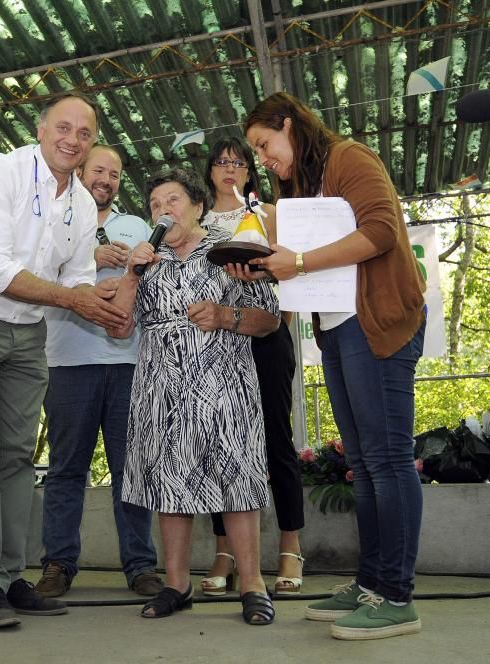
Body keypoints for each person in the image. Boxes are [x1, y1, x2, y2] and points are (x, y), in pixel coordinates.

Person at [0, 93, 129, 630]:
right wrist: (77, 301)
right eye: (62, 128)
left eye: (84, 133)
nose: (72, 140)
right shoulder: (1, 174)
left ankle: (12, 576)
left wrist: (104, 308)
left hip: (27, 329)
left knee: (17, 454)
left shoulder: (83, 205)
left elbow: (78, 274)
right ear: (41, 130)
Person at [236, 91, 426, 641]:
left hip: (379, 323)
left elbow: (382, 231)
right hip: (339, 328)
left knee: (389, 459)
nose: (263, 158)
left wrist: (295, 262)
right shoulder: (295, 187)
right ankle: (371, 583)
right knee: (363, 463)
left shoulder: (349, 158)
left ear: (290, 125)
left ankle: (397, 595)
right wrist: (269, 268)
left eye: (264, 144)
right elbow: (304, 265)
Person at [107, 168, 282, 626]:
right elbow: (118, 325)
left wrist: (227, 315)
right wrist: (131, 273)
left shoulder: (230, 251)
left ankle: (252, 584)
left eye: (173, 200)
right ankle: (177, 584)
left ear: (199, 206)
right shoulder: (147, 261)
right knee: (169, 481)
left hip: (225, 383)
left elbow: (270, 319)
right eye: (154, 204)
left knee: (238, 480)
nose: (163, 210)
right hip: (160, 387)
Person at [35, 145, 162, 598]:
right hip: (67, 362)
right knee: (66, 469)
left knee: (133, 469)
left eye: (114, 173)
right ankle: (58, 564)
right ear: (81, 171)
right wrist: (95, 255)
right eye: (98, 170)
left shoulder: (136, 226)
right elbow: (35, 270)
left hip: (129, 362)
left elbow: (156, 282)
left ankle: (141, 564)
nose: (105, 178)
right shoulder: (53, 218)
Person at [200, 137, 306, 597]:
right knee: (218, 444)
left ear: (249, 171)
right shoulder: (197, 222)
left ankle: (290, 545)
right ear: (209, 171)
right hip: (214, 343)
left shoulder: (271, 214)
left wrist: (278, 324)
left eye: (238, 162)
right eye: (221, 162)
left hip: (266, 335)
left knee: (277, 441)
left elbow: (295, 271)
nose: (229, 169)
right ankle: (225, 550)